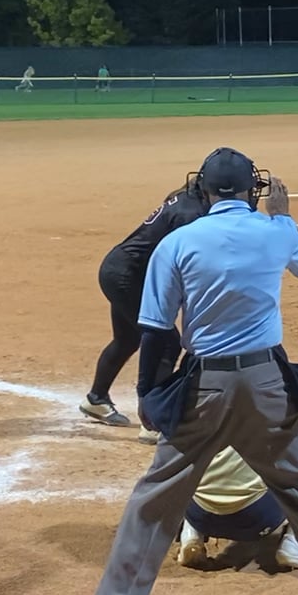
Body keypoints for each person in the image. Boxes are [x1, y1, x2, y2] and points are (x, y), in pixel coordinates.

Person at [90, 148, 298, 595]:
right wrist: (282, 216)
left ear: (202, 189)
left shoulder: (176, 243)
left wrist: (148, 396)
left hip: (203, 387)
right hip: (266, 386)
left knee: (155, 498)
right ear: (252, 190)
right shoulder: (275, 231)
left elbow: (156, 330)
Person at [82, 184, 210, 432]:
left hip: (121, 269)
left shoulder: (187, 200)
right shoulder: (192, 215)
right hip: (128, 277)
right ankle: (153, 421)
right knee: (167, 343)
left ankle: (96, 399)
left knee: (128, 339)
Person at [172, 435, 298, 574]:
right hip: (257, 517)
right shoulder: (266, 403)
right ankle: (296, 543)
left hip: (197, 514)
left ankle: (191, 534)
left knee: (185, 457)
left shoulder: (184, 406)